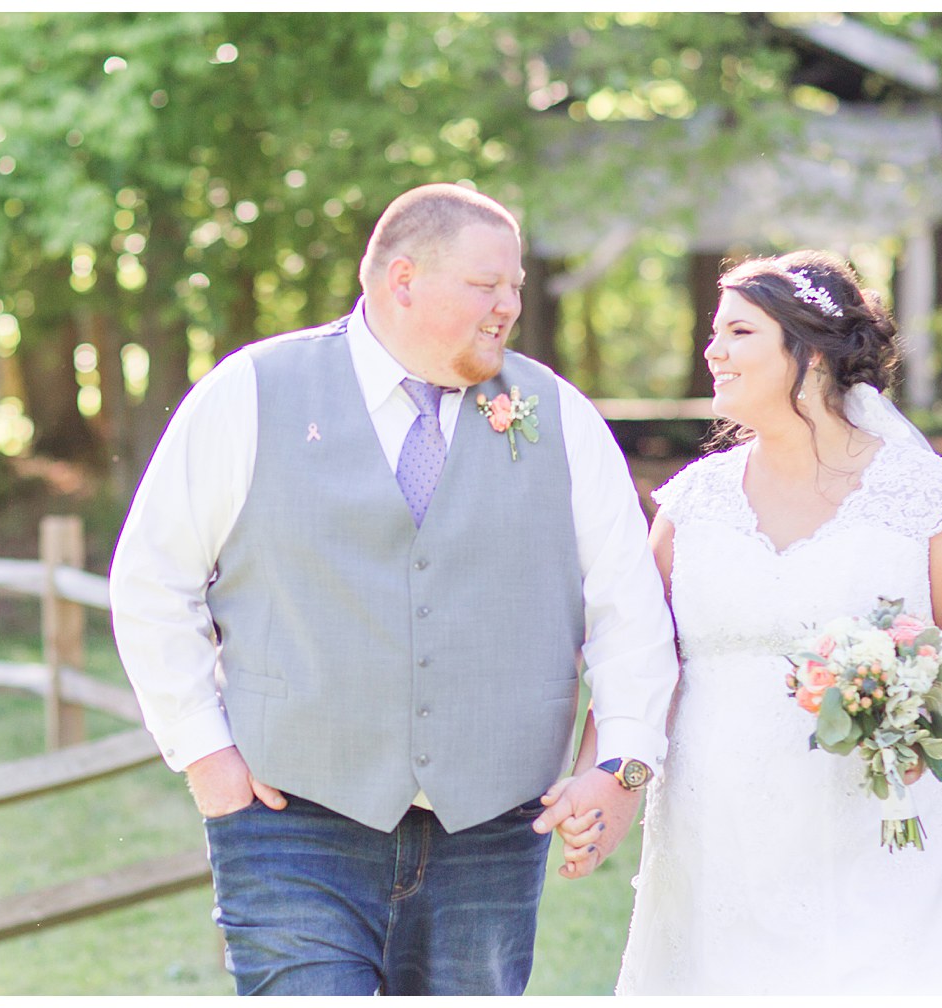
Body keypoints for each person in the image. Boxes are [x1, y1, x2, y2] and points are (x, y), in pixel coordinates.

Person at [108, 182, 678, 996]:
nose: (510, 306)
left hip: (491, 830)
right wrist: (205, 753)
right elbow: (152, 581)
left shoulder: (560, 417)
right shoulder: (253, 393)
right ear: (403, 280)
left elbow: (629, 613)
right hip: (291, 818)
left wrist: (620, 763)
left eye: (516, 286)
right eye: (488, 286)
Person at [557, 250, 942, 993]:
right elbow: (642, 663)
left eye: (738, 332)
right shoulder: (692, 506)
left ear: (808, 355)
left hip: (873, 841)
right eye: (715, 332)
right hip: (712, 844)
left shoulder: (933, 502)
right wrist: (610, 785)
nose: (712, 350)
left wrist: (925, 730)